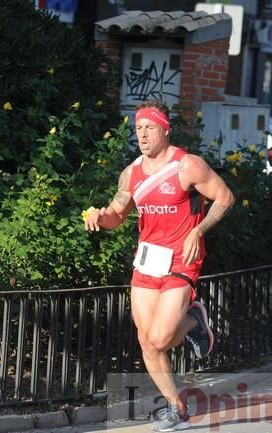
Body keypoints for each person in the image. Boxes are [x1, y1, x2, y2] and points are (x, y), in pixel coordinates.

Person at [84, 100, 235, 432]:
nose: (142, 134)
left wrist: (198, 229)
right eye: (138, 128)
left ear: (165, 129)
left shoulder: (187, 166)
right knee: (147, 342)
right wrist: (99, 217)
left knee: (162, 337)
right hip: (147, 261)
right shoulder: (132, 173)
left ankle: (194, 319)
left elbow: (224, 197)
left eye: (149, 128)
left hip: (181, 258)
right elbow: (116, 214)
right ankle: (177, 409)